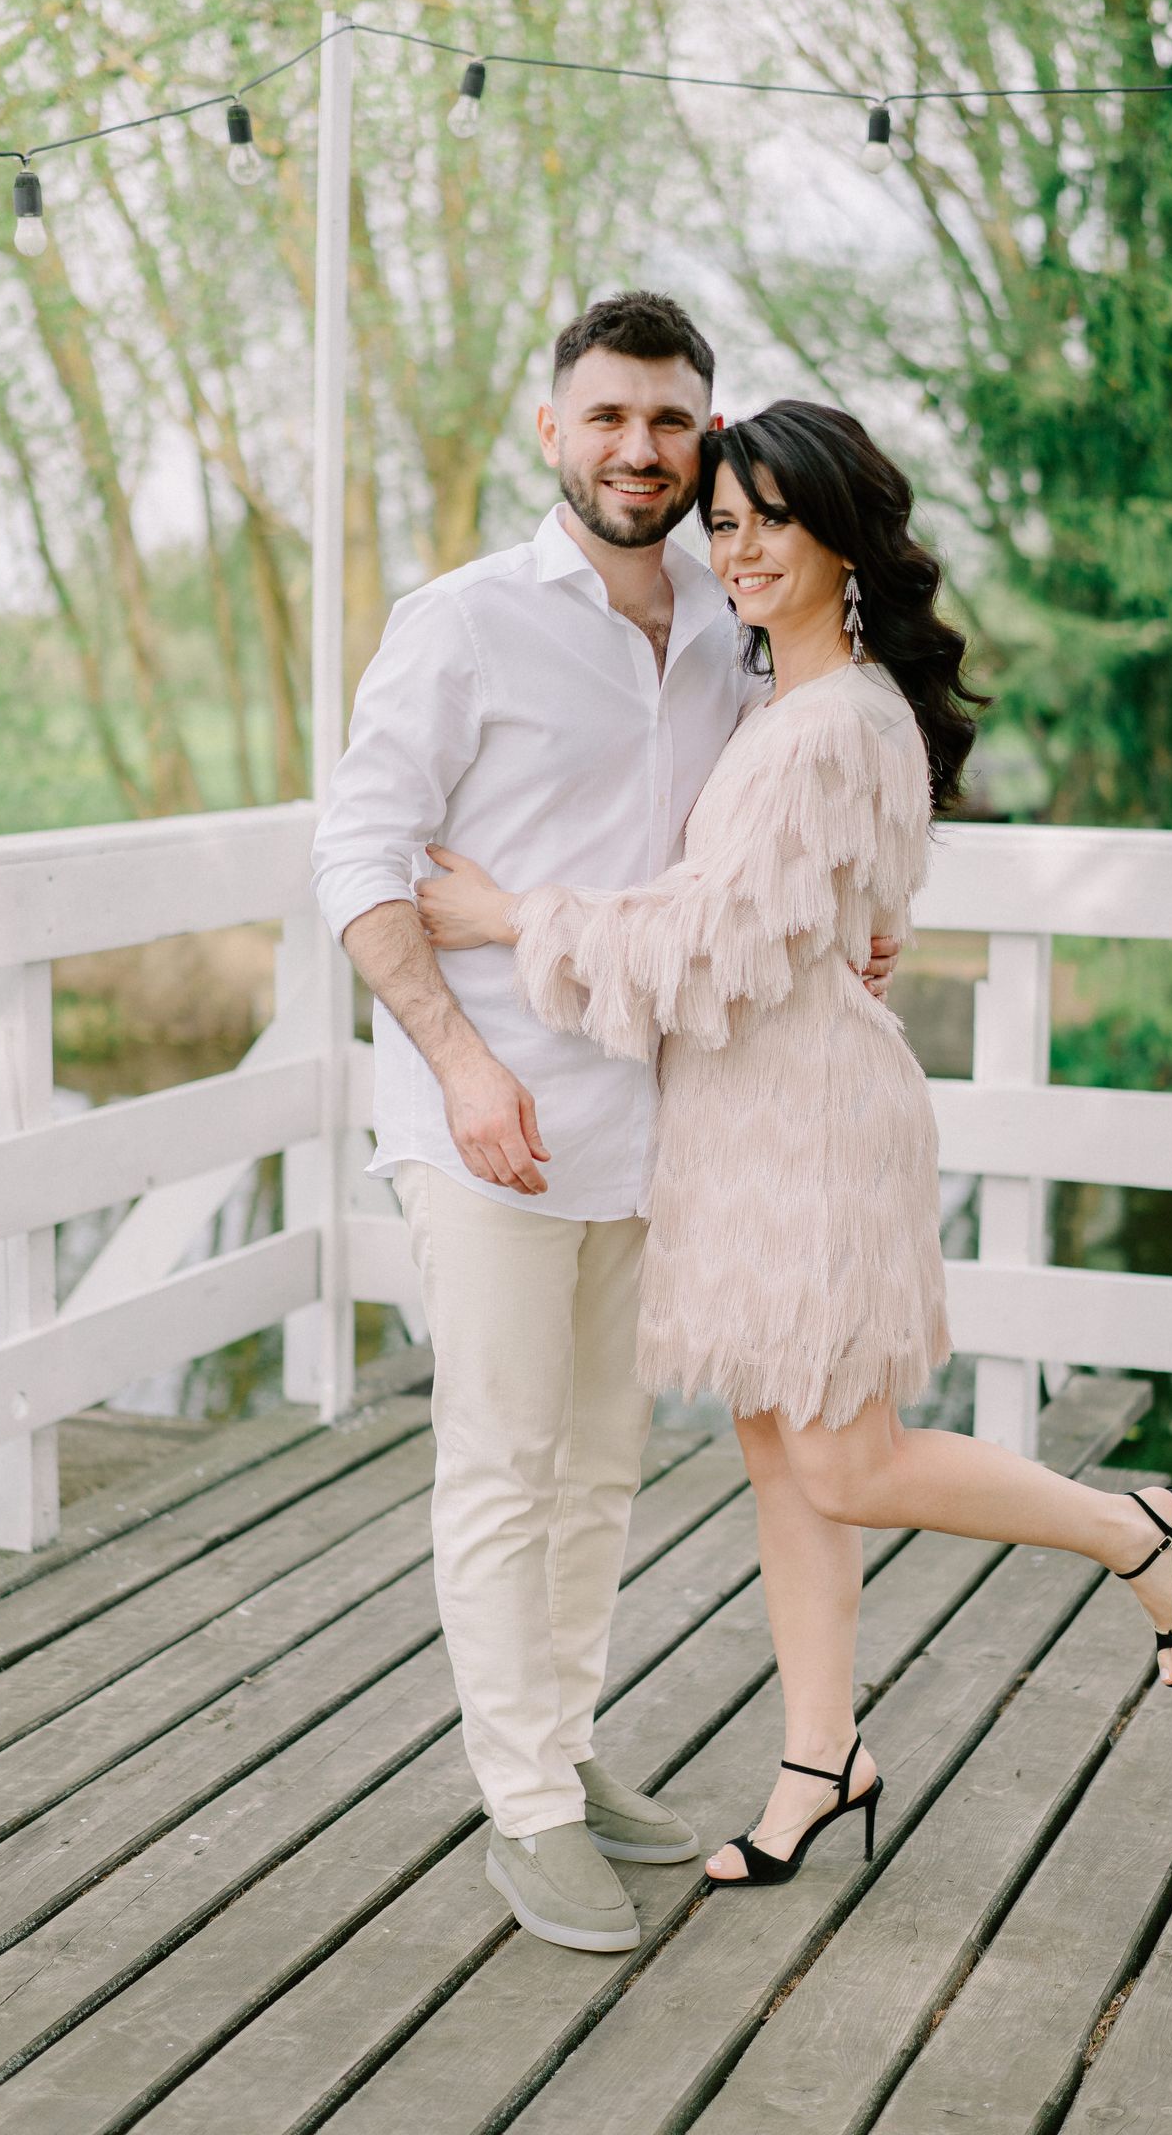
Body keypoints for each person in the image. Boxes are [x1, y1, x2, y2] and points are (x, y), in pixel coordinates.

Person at [412, 396, 1172, 1891]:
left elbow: (709, 944)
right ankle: (818, 1761)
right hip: (733, 1131)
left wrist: (507, 915)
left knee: (848, 1464)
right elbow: (783, 903)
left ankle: (1138, 1528)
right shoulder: (779, 708)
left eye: (772, 521)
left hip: (813, 1130)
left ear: (842, 536)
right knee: (783, 1466)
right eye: (723, 522)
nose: (739, 550)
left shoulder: (835, 720)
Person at [310, 295, 901, 1955]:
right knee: (504, 1465)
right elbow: (360, 858)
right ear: (551, 431)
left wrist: (864, 918)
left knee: (600, 1471)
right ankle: (526, 1807)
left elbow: (782, 830)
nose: (639, 448)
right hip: (487, 1117)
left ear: (705, 434)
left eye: (669, 420)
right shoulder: (464, 623)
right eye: (607, 417)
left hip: (660, 1120)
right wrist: (458, 1061)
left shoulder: (734, 618)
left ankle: (563, 1749)